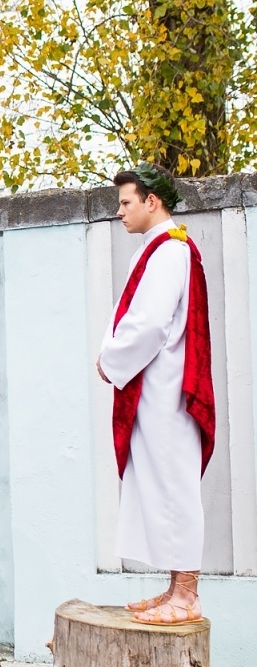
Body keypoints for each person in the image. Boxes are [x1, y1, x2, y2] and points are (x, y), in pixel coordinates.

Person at [96, 163, 215, 625]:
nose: (120, 211)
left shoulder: (170, 251)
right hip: (155, 388)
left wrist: (111, 361)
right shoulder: (158, 248)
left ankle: (187, 594)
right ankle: (174, 587)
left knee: (173, 482)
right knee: (159, 480)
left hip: (168, 391)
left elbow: (149, 323)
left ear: (152, 201)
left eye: (126, 202)